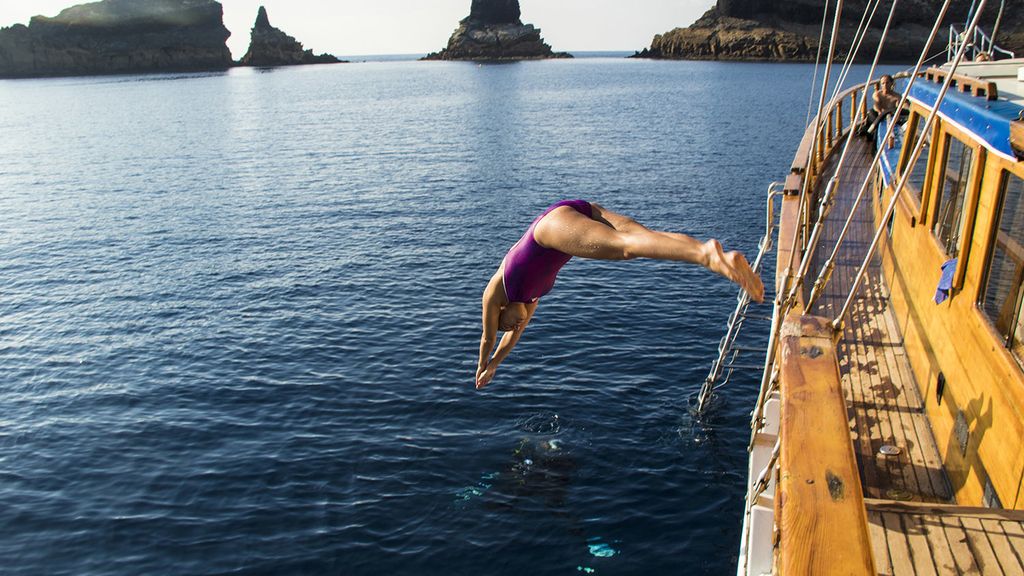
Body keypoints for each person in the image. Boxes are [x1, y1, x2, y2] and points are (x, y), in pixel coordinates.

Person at [475, 199, 765, 389]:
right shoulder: (531, 299)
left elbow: (489, 338)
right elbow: (511, 341)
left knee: (624, 248)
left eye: (507, 324)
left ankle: (707, 255)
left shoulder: (496, 291)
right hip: (575, 209)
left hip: (550, 228)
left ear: (501, 310)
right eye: (512, 328)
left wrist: (481, 366)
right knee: (641, 238)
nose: (513, 328)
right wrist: (495, 368)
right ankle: (711, 252)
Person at [861, 75, 900, 141]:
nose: (885, 85)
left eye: (887, 83)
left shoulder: (897, 97)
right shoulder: (877, 94)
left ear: (891, 83)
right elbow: (877, 108)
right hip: (876, 115)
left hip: (889, 116)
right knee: (873, 115)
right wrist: (882, 112)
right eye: (883, 83)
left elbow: (897, 109)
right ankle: (870, 134)